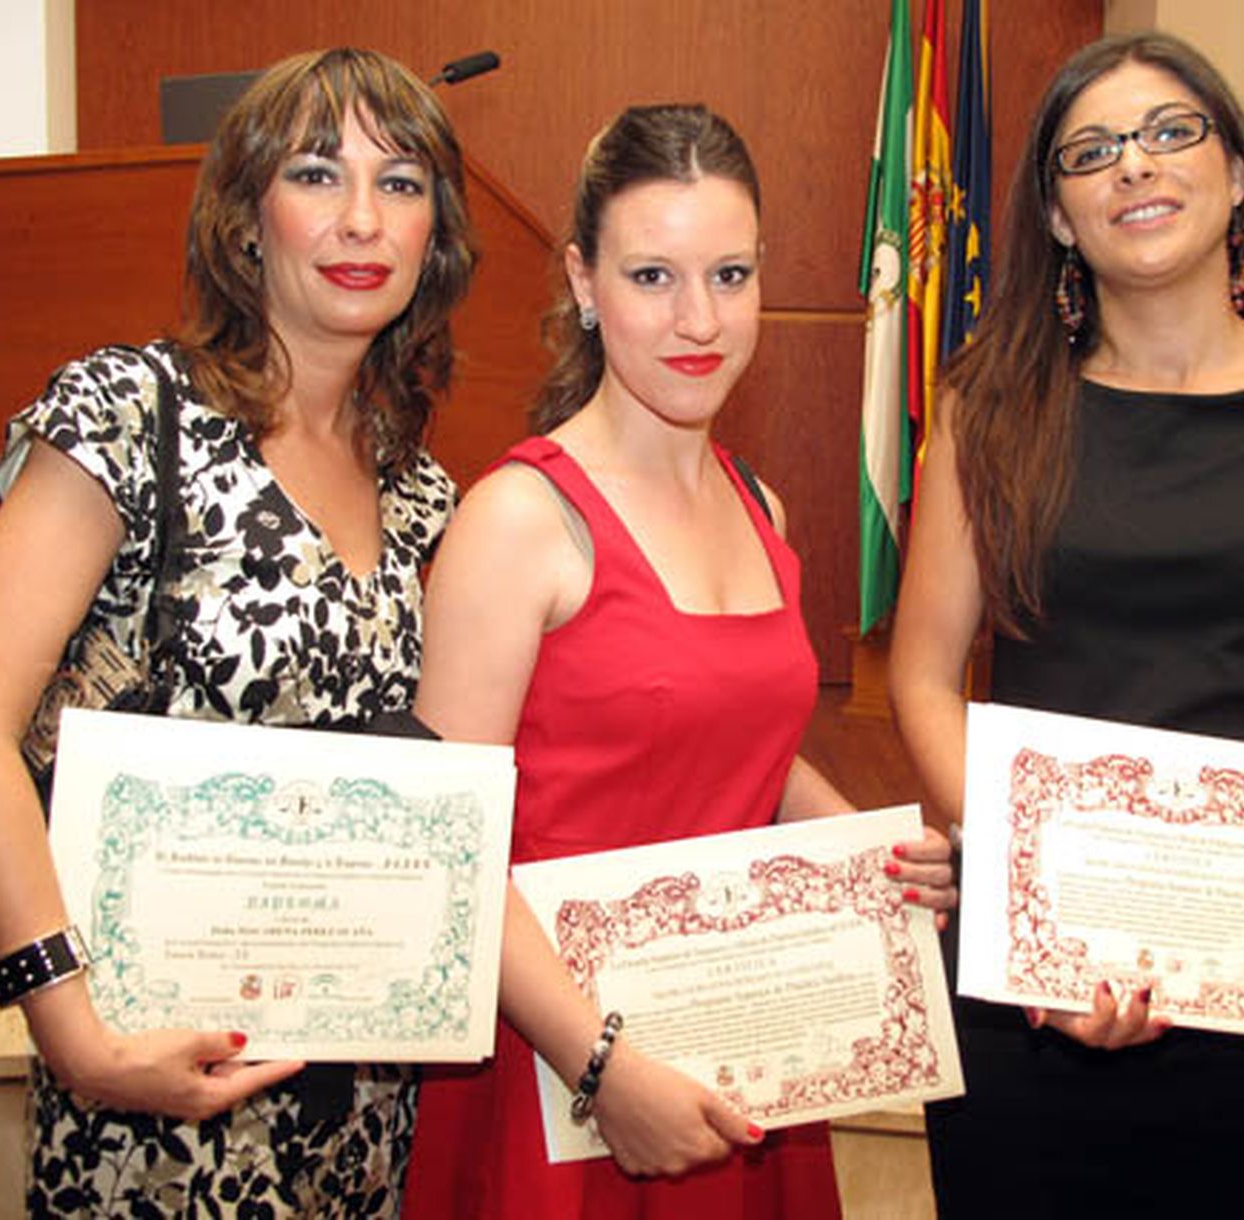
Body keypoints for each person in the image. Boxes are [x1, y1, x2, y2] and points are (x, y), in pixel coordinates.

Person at [888, 31, 1244, 1220]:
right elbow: (926, 676)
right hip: (1039, 995)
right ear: (1053, 213)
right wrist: (1020, 899)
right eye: (1091, 152)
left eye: (1169, 132)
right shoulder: (985, 413)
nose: (1132, 167)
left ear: (1239, 172)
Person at [0, 47, 476, 1215]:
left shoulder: (426, 493)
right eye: (318, 174)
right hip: (150, 1085)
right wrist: (73, 1028)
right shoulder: (132, 412)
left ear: (437, 235)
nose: (363, 217)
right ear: (244, 218)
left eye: (403, 181)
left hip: (359, 1098)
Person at [400, 104, 955, 1219]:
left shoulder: (761, 506)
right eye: (652, 276)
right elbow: (442, 840)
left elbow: (745, 753)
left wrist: (866, 848)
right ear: (583, 283)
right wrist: (603, 1067)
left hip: (733, 1041)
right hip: (559, 1062)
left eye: (731, 273)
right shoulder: (519, 517)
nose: (698, 318)